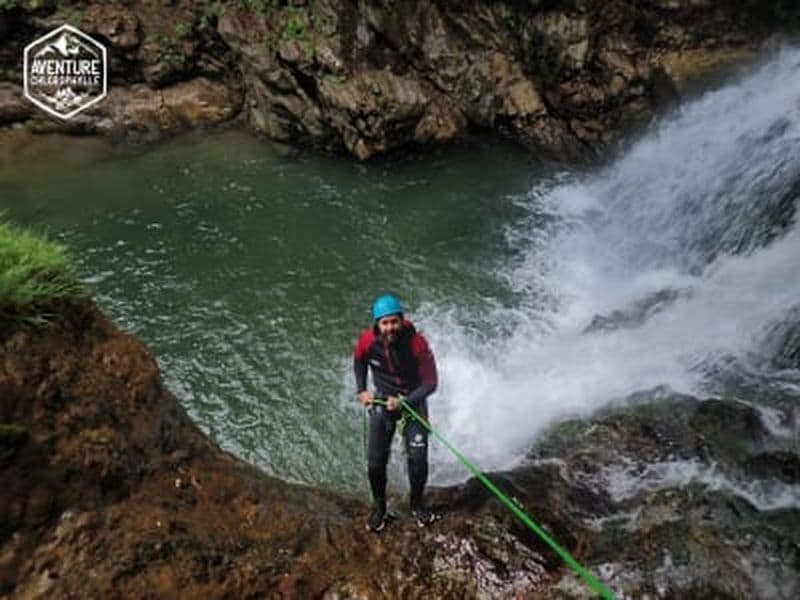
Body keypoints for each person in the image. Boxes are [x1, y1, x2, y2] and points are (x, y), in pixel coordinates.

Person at [353, 293, 439, 532]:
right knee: (375, 463)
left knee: (418, 460)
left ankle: (417, 505)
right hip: (383, 401)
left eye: (394, 321)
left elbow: (431, 383)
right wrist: (361, 390)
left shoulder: (417, 343)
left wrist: (405, 402)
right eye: (385, 323)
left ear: (401, 320)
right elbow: (359, 361)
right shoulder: (367, 341)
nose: (390, 327)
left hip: (413, 401)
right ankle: (379, 508)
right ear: (377, 324)